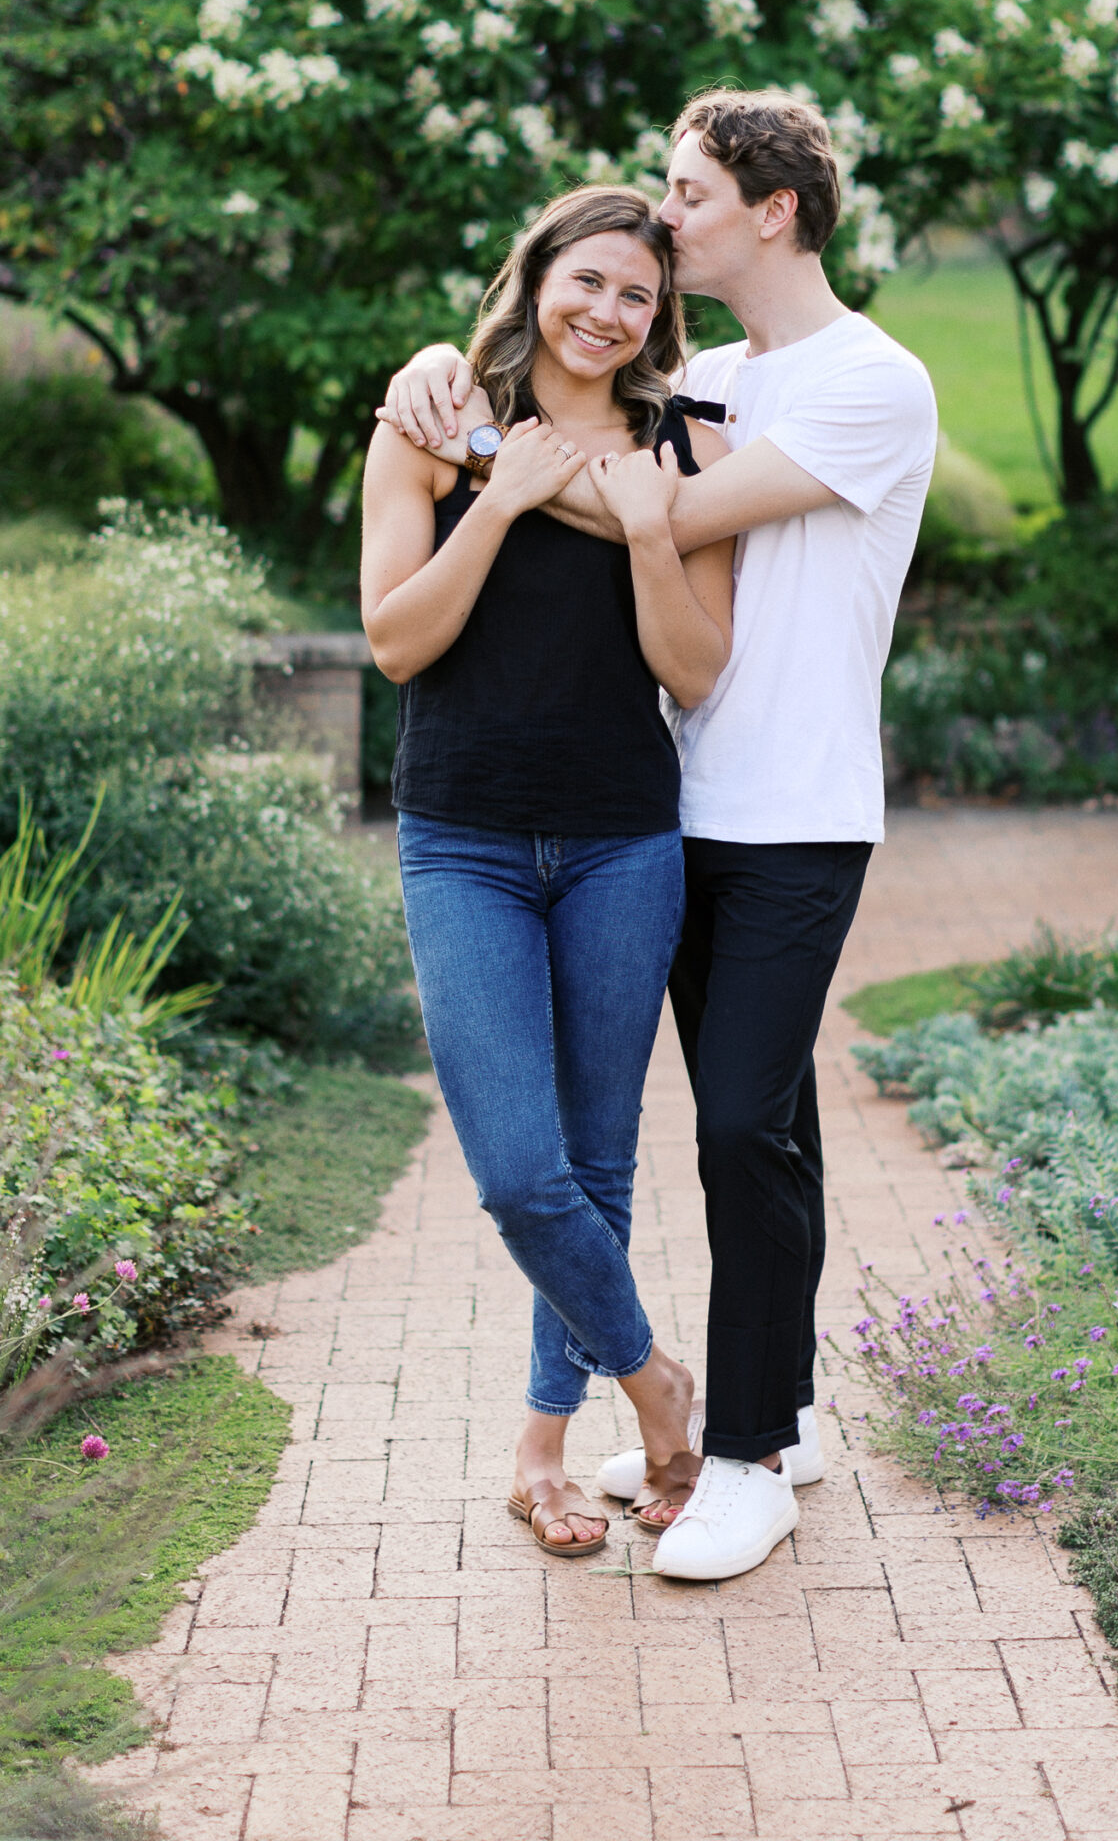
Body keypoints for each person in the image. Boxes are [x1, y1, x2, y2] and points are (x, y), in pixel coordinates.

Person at [381, 89, 938, 1582]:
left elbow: (659, 516)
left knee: (742, 1124)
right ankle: (787, 1409)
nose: (661, 220)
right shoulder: (724, 378)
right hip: (673, 808)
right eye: (623, 242)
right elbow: (607, 450)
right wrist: (457, 386)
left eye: (685, 197)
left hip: (794, 810)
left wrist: (482, 446)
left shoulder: (868, 382)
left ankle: (741, 1449)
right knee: (764, 1131)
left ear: (771, 210)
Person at [360, 184, 733, 1557]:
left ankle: (543, 1449)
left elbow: (694, 669)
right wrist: (498, 505)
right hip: (462, 838)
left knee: (596, 1159)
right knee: (521, 1172)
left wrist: (647, 525)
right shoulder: (435, 422)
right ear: (537, 278)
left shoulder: (685, 446)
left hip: (625, 839)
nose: (606, 312)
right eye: (586, 280)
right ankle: (656, 1383)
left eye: (636, 294)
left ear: (658, 316)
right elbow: (396, 643)